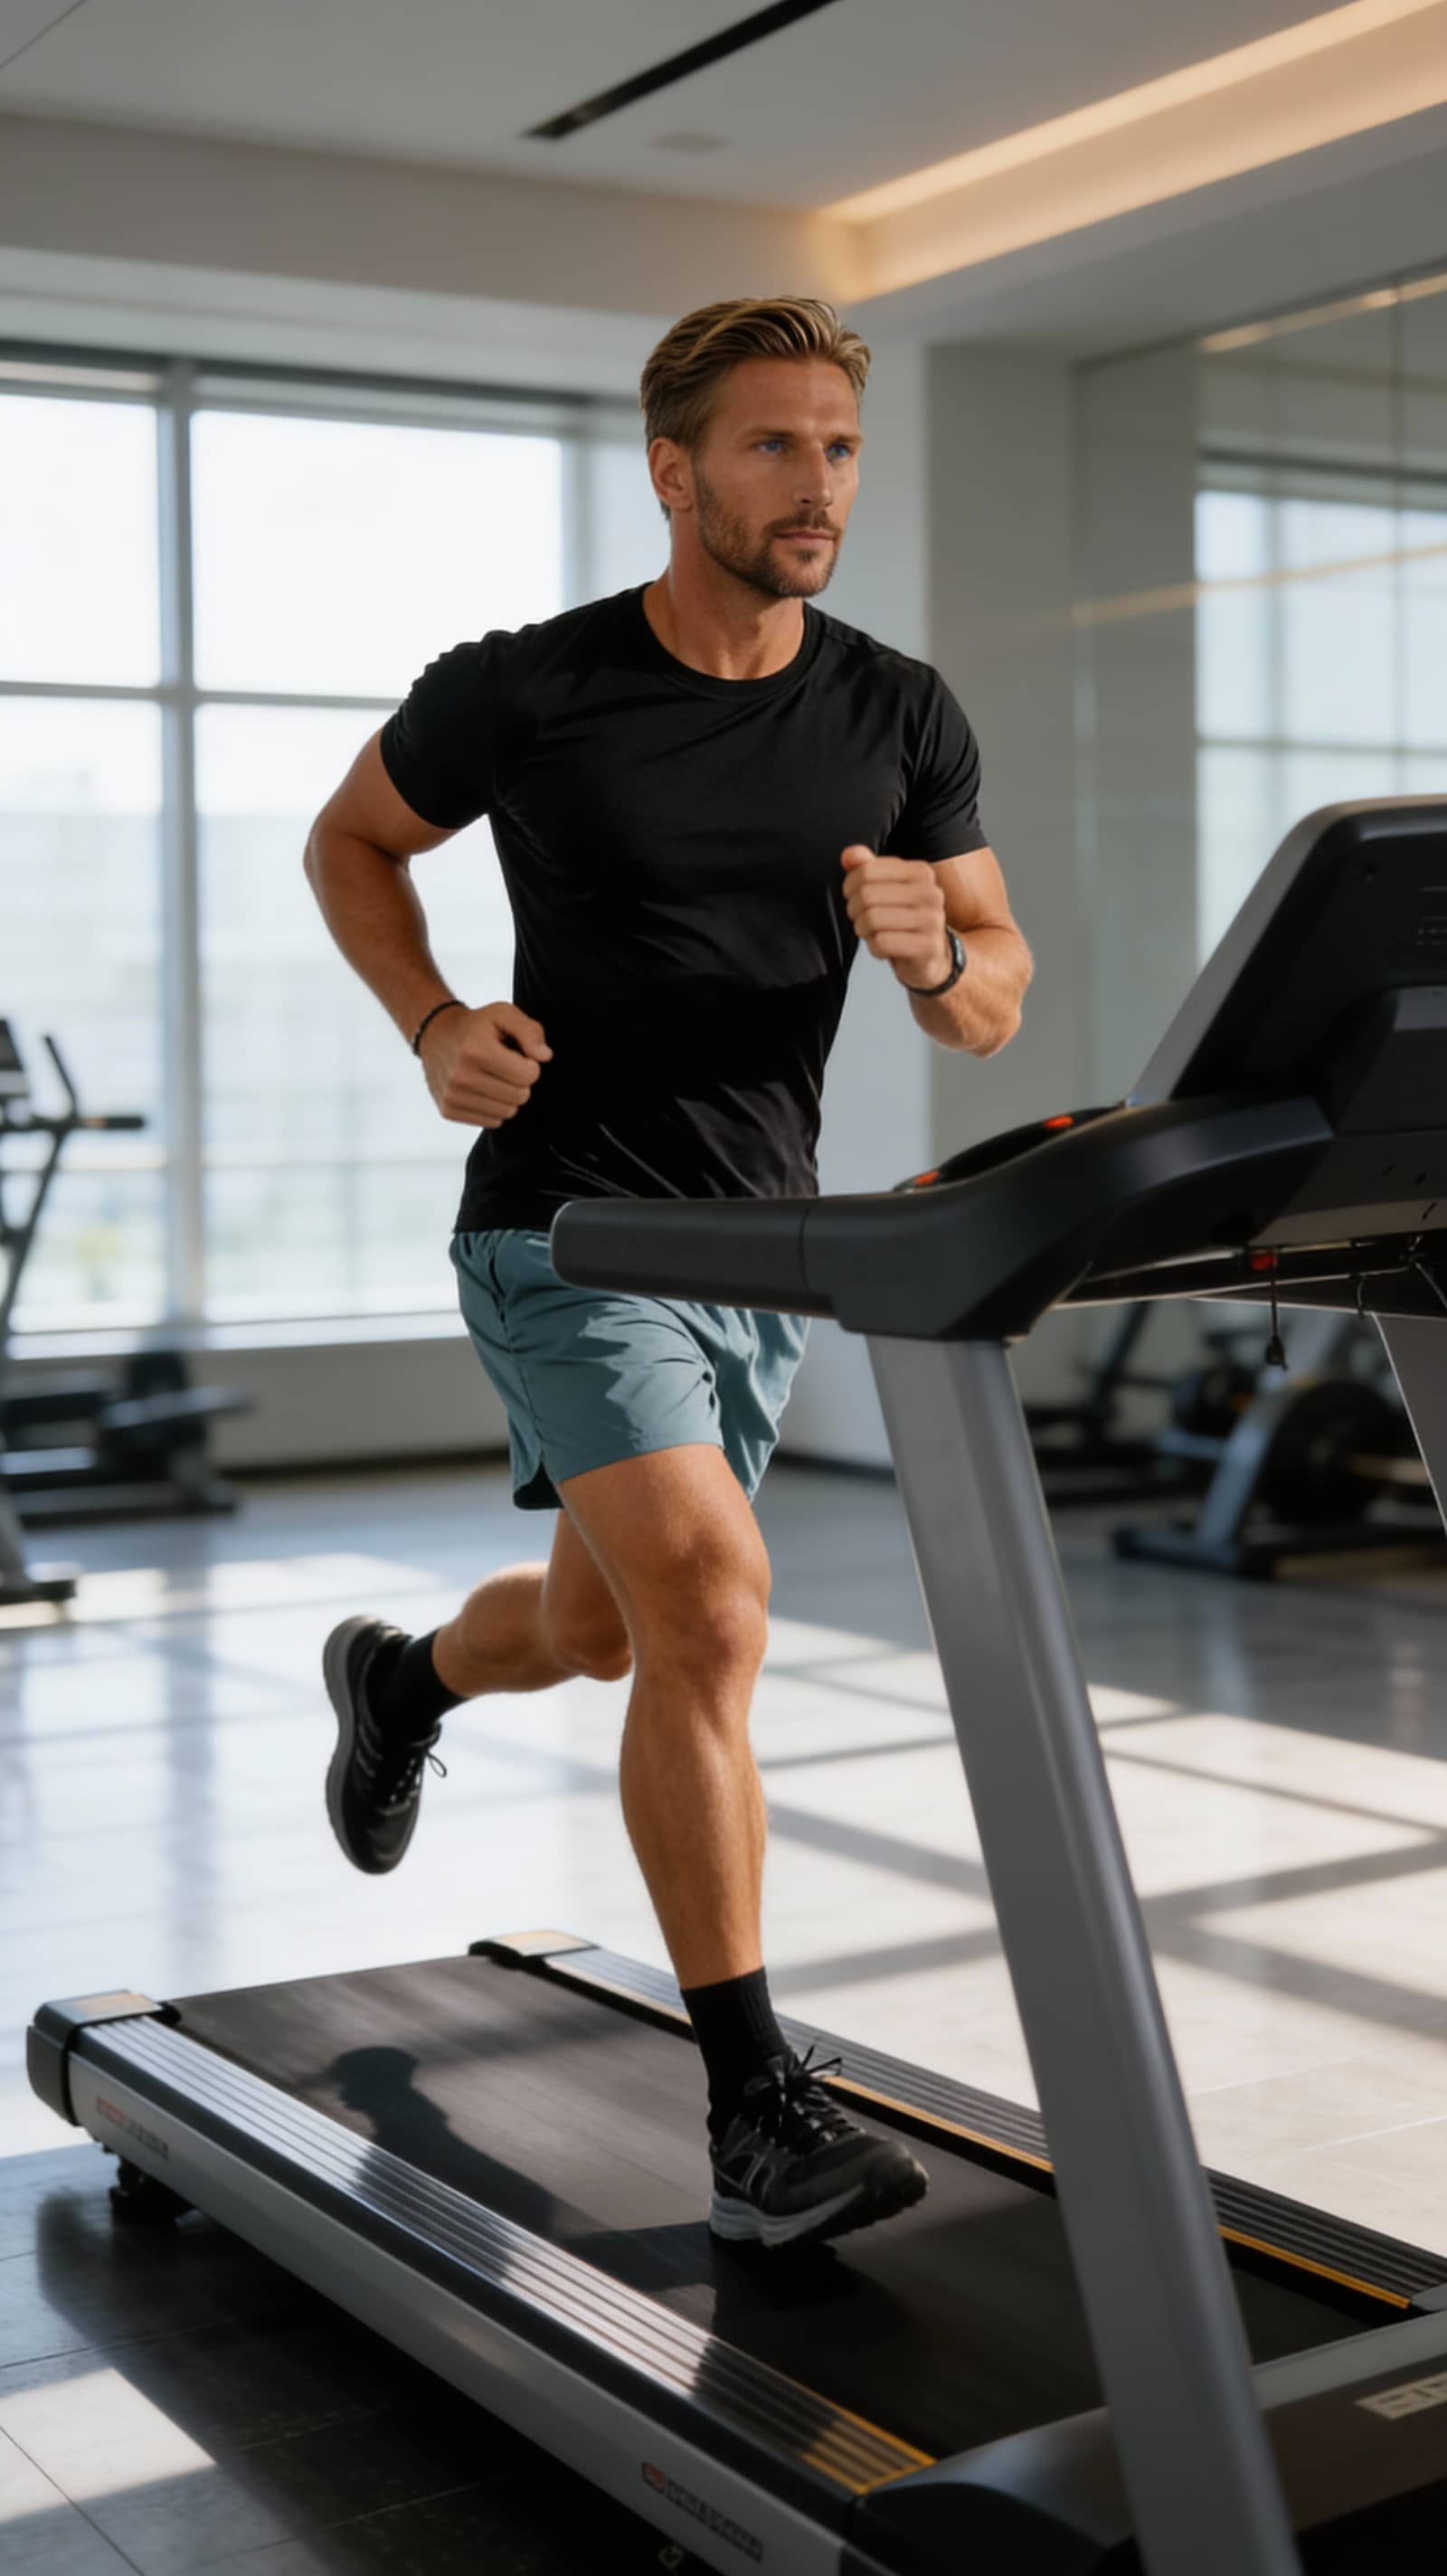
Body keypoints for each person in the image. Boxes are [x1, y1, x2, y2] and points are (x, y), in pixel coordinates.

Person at [304, 295, 1032, 2250]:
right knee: (711, 1608)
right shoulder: (528, 687)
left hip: (752, 1243)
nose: (817, 485)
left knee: (611, 1629)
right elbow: (354, 841)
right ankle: (752, 2109)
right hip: (564, 1223)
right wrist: (432, 1014)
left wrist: (929, 952)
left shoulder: (895, 707)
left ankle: (402, 1679)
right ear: (676, 467)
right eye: (776, 446)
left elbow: (991, 994)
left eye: (840, 448)